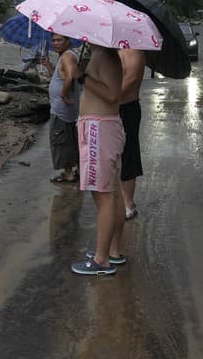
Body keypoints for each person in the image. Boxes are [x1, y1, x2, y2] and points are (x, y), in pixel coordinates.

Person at [71, 44, 126, 276]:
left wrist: (82, 76)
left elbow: (113, 94)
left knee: (103, 195)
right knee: (110, 193)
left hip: (99, 130)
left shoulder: (105, 56)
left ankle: (102, 260)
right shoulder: (102, 55)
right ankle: (111, 251)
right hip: (100, 127)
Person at [41, 34, 82, 183]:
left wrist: (64, 94)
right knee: (70, 139)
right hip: (64, 109)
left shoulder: (67, 56)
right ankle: (75, 171)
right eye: (53, 40)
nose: (55, 43)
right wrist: (48, 65)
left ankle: (68, 174)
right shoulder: (65, 56)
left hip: (61, 110)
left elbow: (70, 76)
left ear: (68, 41)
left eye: (59, 40)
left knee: (61, 140)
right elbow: (59, 77)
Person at [118, 48, 146, 220]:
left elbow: (131, 79)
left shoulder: (135, 51)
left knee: (128, 153)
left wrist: (109, 98)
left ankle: (128, 203)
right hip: (113, 107)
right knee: (115, 157)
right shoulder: (116, 50)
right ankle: (119, 199)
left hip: (126, 107)